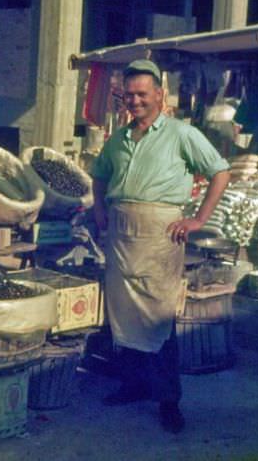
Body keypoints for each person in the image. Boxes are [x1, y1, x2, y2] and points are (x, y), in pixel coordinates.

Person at [90, 59, 230, 434]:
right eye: (129, 95)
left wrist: (198, 219)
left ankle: (169, 401)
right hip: (121, 237)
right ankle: (133, 385)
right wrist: (100, 208)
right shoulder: (118, 138)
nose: (134, 101)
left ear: (159, 95)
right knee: (122, 317)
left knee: (159, 320)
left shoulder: (182, 133)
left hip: (161, 237)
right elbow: (100, 176)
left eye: (142, 94)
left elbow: (220, 171)